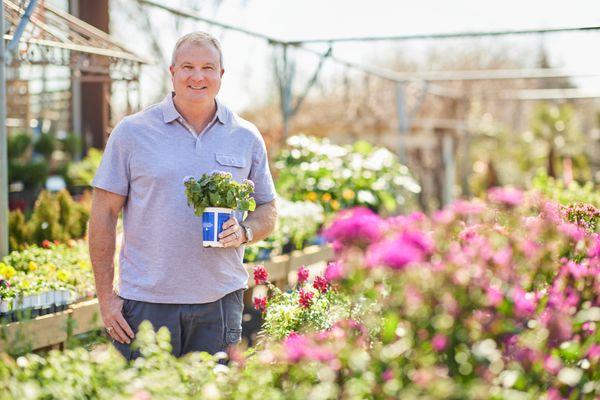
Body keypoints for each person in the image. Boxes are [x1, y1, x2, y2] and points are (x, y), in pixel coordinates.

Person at [89, 31, 277, 359]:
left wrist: (246, 231)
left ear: (221, 74)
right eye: (188, 66)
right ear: (172, 72)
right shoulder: (132, 132)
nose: (198, 76)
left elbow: (268, 208)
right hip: (146, 305)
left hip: (220, 302)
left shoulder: (245, 136)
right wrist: (106, 299)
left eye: (208, 67)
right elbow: (103, 215)